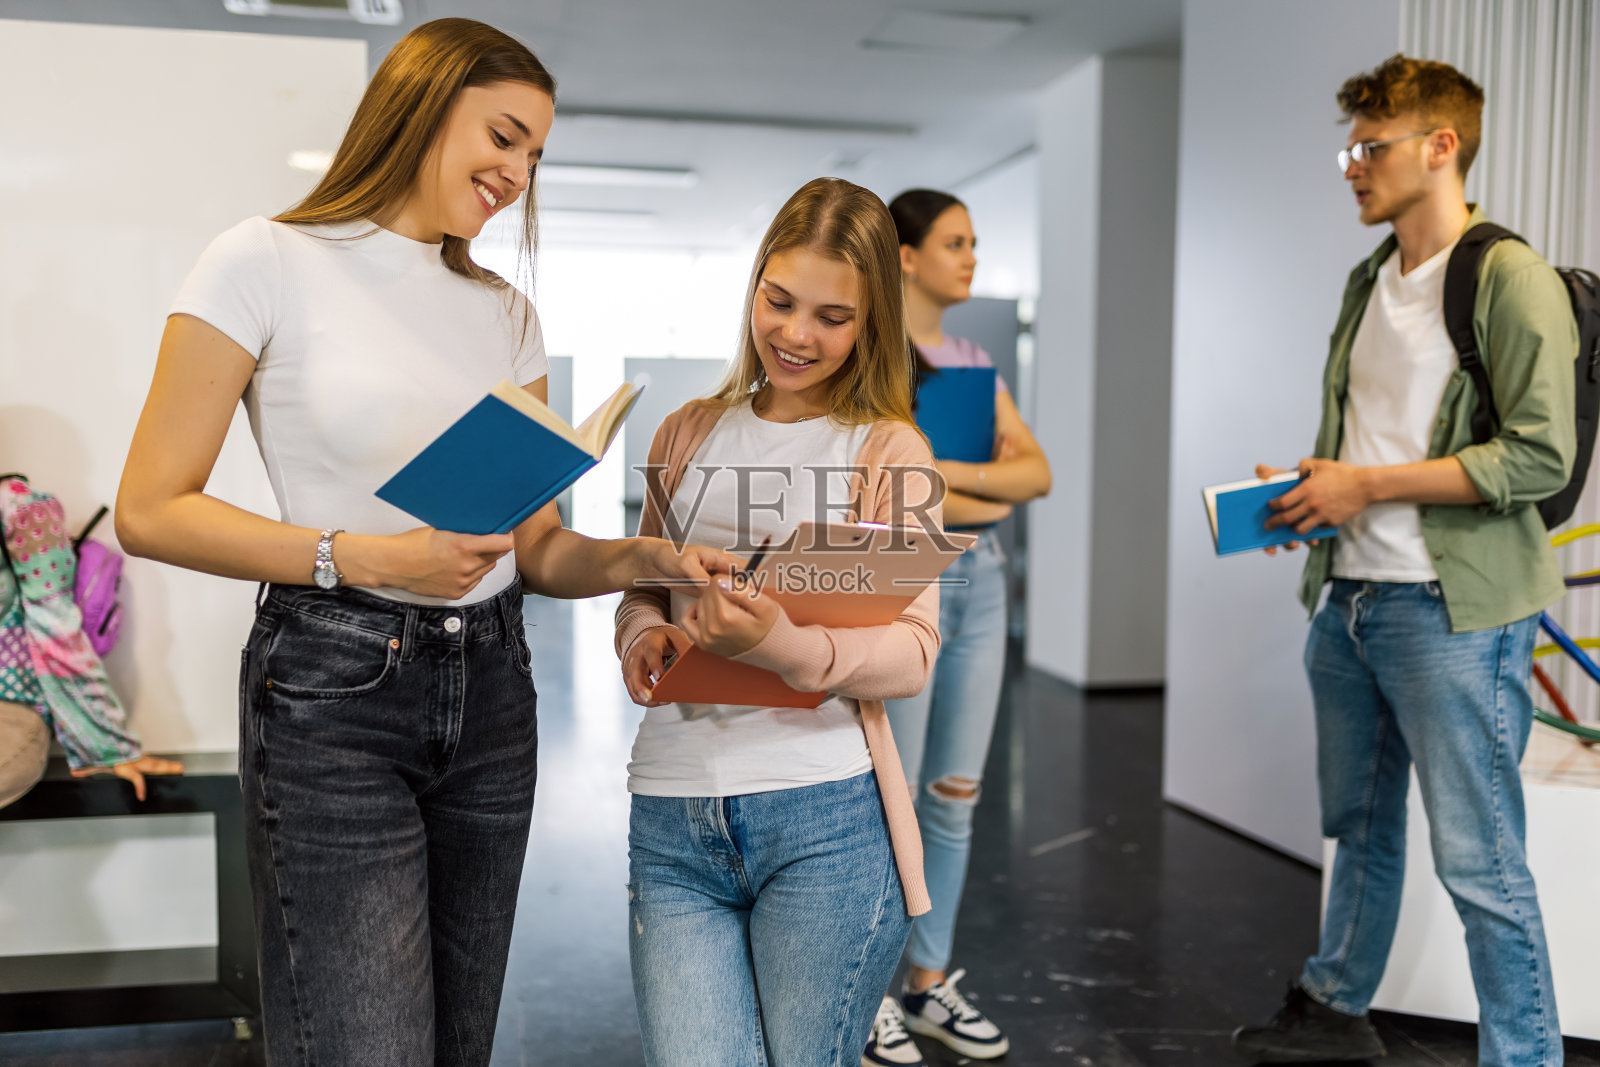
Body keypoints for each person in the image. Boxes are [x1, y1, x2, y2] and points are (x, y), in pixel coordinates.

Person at [115, 19, 736, 1066]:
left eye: (535, 155)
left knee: (458, 1044)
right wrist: (359, 555)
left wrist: (645, 560)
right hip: (333, 690)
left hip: (494, 687)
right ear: (422, 102)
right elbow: (151, 505)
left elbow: (537, 550)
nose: (515, 173)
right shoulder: (263, 259)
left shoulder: (505, 313)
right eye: (502, 136)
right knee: (364, 1045)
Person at [1232, 55, 1577, 1066]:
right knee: (1358, 825)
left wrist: (1366, 487)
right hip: (1347, 598)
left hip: (1451, 615)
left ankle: (1524, 1056)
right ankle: (1335, 1005)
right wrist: (1314, 492)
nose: (1350, 166)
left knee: (1481, 863)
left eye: (1369, 146)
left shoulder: (1507, 275)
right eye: (1348, 147)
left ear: (1441, 146)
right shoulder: (1367, 277)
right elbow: (1369, 436)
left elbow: (1539, 452)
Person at [614, 177, 949, 1067]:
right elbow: (645, 582)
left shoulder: (889, 449)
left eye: (833, 317)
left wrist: (780, 647)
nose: (797, 335)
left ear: (872, 319)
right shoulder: (685, 432)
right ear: (754, 286)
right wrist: (639, 635)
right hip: (674, 810)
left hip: (825, 815)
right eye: (779, 300)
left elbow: (914, 651)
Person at [858, 189, 1051, 1067]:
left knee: (955, 795)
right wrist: (977, 482)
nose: (971, 257)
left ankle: (928, 983)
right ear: (904, 254)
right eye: (955, 241)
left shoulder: (972, 356)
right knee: (886, 796)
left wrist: (945, 471)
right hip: (906, 576)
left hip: (985, 580)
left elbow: (1037, 474)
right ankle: (865, 996)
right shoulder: (867, 353)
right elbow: (890, 490)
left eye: (975, 242)